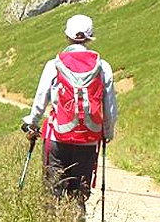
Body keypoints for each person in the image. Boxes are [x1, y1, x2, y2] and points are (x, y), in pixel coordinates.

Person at [21, 14, 118, 208]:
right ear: (90, 37)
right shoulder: (102, 67)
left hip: (57, 138)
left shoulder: (55, 64)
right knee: (78, 195)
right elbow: (110, 106)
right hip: (89, 140)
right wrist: (107, 132)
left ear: (67, 36)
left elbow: (41, 98)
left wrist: (32, 123)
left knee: (52, 191)